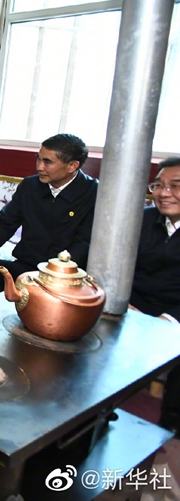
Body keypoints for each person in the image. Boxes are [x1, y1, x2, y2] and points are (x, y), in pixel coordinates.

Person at [0, 133, 98, 297]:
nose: (39, 167)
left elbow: (84, 242)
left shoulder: (93, 193)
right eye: (38, 159)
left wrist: (51, 276)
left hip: (65, 276)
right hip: (27, 268)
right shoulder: (30, 186)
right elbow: (5, 223)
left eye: (47, 162)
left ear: (72, 166)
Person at [127, 157, 180, 432]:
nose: (164, 193)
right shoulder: (143, 219)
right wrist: (123, 302)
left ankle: (172, 428)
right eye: (158, 185)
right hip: (134, 303)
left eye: (175, 186)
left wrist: (167, 319)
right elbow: (116, 266)